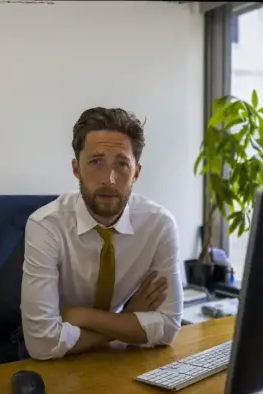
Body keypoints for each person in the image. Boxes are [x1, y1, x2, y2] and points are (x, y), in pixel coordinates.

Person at [20, 107, 183, 360]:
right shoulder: (46, 226)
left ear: (136, 173)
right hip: (57, 366)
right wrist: (125, 323)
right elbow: (42, 344)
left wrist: (84, 316)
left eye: (121, 164)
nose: (109, 179)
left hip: (112, 359)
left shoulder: (159, 225)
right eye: (96, 162)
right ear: (76, 169)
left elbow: (168, 328)